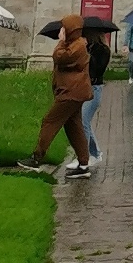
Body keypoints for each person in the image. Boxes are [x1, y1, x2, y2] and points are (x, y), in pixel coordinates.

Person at [26, 15, 93, 177]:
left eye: (64, 28)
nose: (61, 31)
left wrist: (61, 41)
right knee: (73, 126)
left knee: (50, 121)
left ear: (71, 29)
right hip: (72, 91)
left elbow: (60, 57)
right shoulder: (75, 44)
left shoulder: (77, 46)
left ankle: (36, 157)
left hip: (71, 92)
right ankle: (84, 164)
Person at [82, 23, 111, 165]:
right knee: (84, 122)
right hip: (84, 87)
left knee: (83, 121)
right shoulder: (88, 48)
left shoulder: (103, 50)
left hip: (95, 88)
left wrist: (87, 55)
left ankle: (83, 157)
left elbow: (97, 70)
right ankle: (95, 152)